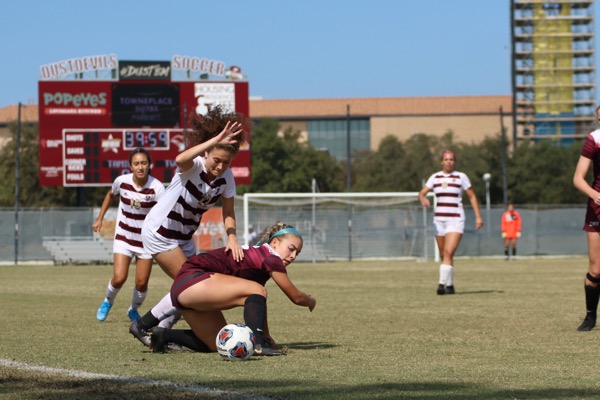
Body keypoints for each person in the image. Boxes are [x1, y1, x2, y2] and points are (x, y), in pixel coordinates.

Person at [130, 105, 249, 342]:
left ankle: (161, 331)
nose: (220, 167)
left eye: (226, 162)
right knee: (191, 286)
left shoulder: (227, 178)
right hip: (160, 232)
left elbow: (228, 212)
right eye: (216, 160)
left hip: (184, 238)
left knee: (195, 288)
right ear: (206, 153)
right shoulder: (193, 166)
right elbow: (179, 158)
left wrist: (232, 237)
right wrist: (214, 139)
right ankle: (142, 326)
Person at [148, 222, 316, 356]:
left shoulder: (260, 256)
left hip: (186, 287)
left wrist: (266, 335)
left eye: (298, 253)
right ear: (275, 242)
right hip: (194, 279)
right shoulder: (271, 258)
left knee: (218, 343)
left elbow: (257, 302)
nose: (293, 256)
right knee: (257, 290)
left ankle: (164, 335)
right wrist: (310, 300)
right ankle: (257, 344)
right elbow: (295, 297)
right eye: (291, 249)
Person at [93, 148, 165, 322]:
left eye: (144, 163)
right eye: (136, 163)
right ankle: (107, 301)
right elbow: (110, 195)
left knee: (141, 283)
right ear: (130, 166)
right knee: (119, 278)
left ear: (149, 165)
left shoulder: (157, 187)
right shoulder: (121, 182)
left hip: (146, 242)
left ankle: (133, 309)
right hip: (124, 237)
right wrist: (100, 219)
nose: (140, 167)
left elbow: (164, 212)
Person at [418, 149, 483, 295]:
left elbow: (472, 196)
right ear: (442, 162)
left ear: (455, 162)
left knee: (448, 252)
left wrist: (478, 216)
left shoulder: (461, 177)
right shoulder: (435, 177)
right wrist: (423, 198)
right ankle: (450, 286)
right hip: (439, 220)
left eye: (451, 159)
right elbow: (422, 192)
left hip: (455, 219)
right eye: (446, 159)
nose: (449, 162)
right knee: (444, 254)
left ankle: (441, 285)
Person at [573, 105, 600, 331]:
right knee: (596, 269)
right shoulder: (594, 139)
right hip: (597, 209)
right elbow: (578, 178)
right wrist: (594, 195)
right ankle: (590, 317)